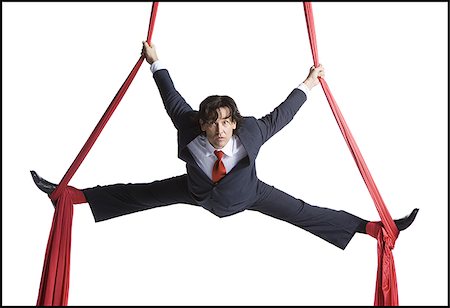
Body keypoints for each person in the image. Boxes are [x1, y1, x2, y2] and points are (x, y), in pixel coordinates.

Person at [31, 41, 419, 250]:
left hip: (248, 194)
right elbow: (171, 96)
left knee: (303, 212)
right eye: (213, 123)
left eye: (226, 122)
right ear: (202, 124)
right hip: (197, 192)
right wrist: (154, 62)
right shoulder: (189, 126)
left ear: (235, 122)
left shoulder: (250, 132)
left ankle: (371, 229)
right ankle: (71, 196)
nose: (220, 130)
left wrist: (309, 83)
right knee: (140, 194)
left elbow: (281, 115)